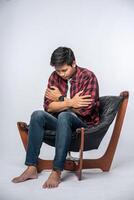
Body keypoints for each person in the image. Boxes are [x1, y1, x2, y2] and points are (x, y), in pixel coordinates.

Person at [12, 47, 100, 188]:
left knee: (65, 115)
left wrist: (60, 99)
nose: (61, 74)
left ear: (74, 63)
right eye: (58, 70)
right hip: (61, 123)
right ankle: (31, 167)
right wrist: (71, 102)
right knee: (38, 115)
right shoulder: (54, 77)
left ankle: (57, 170)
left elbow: (85, 110)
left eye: (64, 70)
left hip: (82, 124)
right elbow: (49, 107)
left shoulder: (88, 76)